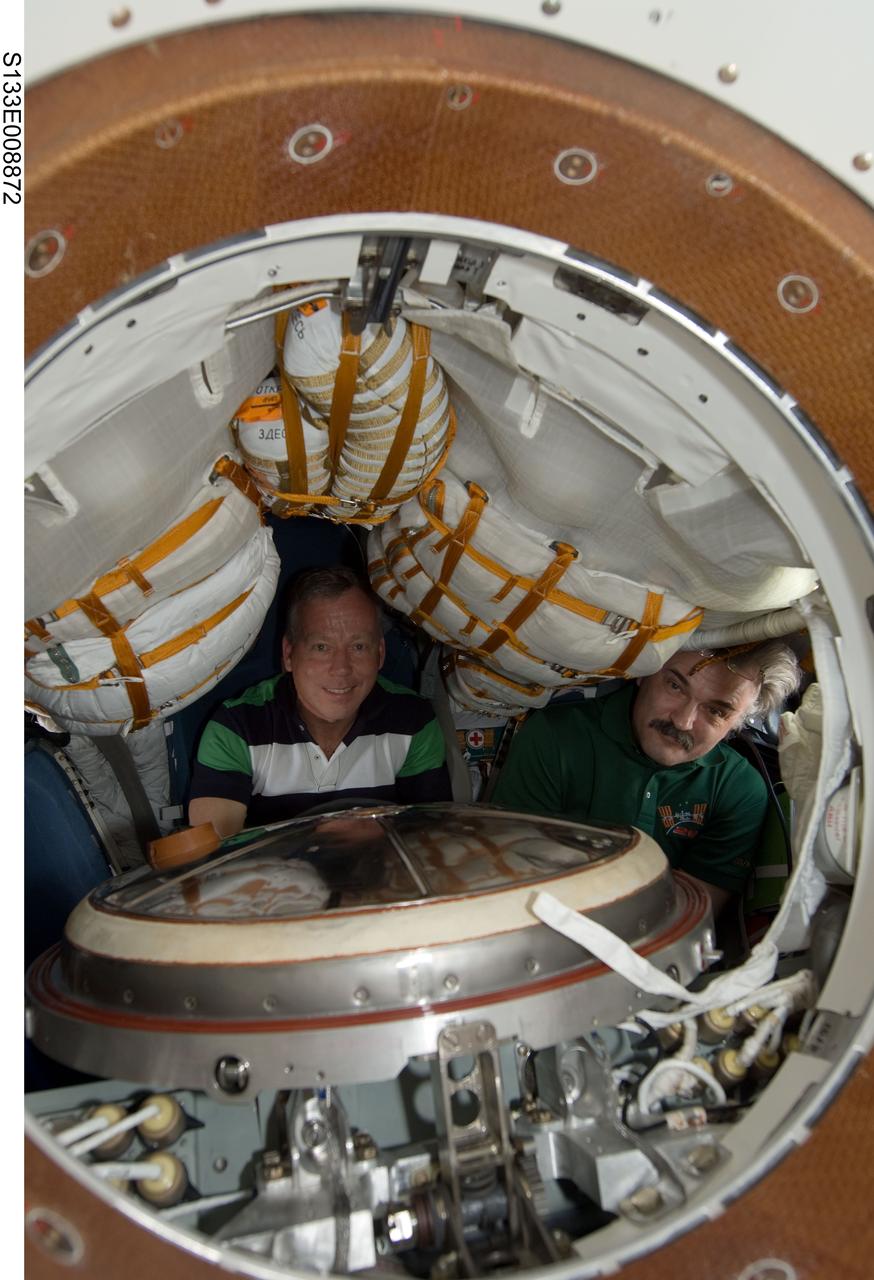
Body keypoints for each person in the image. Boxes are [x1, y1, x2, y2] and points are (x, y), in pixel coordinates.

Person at [491, 640, 801, 914]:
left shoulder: (739, 789)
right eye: (675, 686)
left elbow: (690, 915)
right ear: (643, 674)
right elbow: (516, 882)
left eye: (717, 712)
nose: (683, 721)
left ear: (738, 724)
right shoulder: (554, 738)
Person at [189, 566, 451, 836]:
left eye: (358, 646)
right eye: (321, 647)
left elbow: (431, 841)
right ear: (289, 654)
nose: (341, 669)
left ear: (380, 654)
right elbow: (214, 856)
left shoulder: (413, 721)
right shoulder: (235, 728)